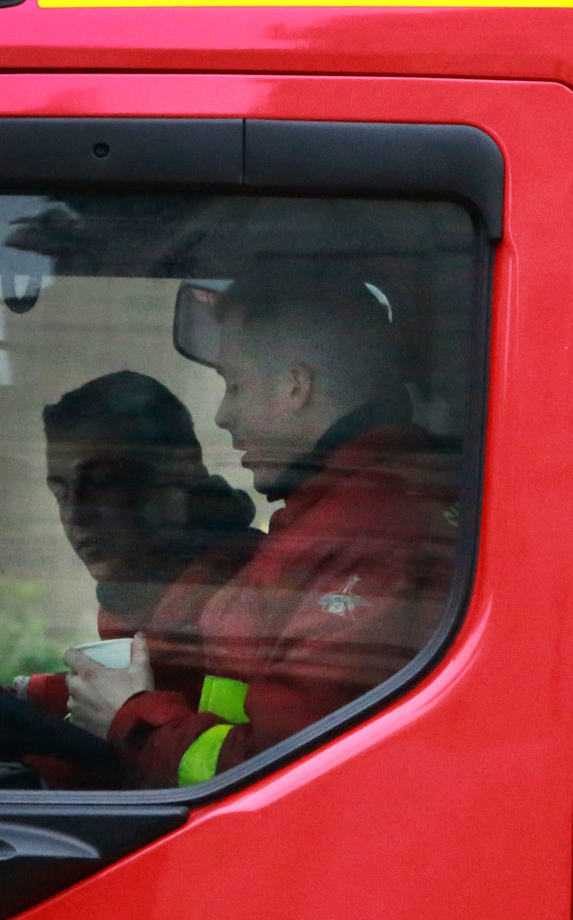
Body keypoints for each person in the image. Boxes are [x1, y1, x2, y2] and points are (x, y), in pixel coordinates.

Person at [62, 265, 457, 789]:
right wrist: (45, 699)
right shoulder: (330, 522)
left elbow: (285, 769)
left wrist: (133, 723)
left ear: (296, 387)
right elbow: (217, 683)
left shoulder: (373, 542)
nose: (223, 415)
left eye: (235, 385)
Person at [14, 372, 262, 728]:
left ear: (183, 468)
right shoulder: (146, 598)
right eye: (62, 492)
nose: (76, 514)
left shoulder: (245, 601)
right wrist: (34, 697)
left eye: (102, 482)